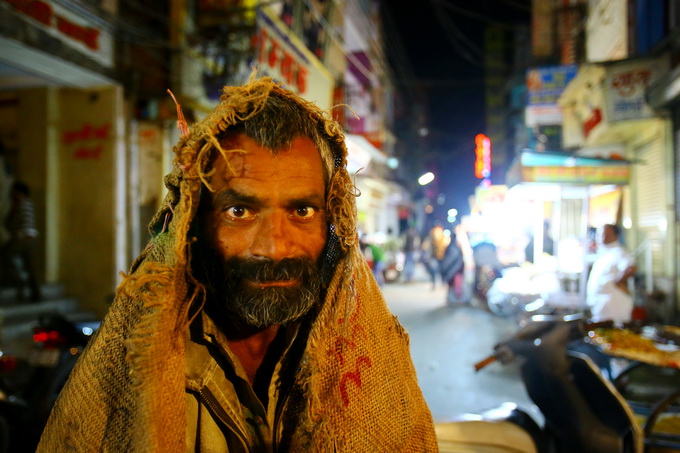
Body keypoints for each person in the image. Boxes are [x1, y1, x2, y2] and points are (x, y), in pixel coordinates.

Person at [38, 75, 437, 451]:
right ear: (195, 223)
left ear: (333, 224)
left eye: (301, 210)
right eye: (240, 211)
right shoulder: (145, 362)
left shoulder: (362, 355)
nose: (275, 248)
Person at [586, 224, 637, 324]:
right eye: (600, 234)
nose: (602, 237)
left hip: (614, 307)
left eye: (607, 234)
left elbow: (631, 268)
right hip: (602, 308)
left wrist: (619, 282)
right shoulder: (604, 253)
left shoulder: (619, 252)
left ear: (616, 236)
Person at [1, 181, 42, 301]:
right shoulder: (20, 205)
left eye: (15, 192)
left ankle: (18, 279)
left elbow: (23, 224)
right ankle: (35, 293)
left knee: (5, 254)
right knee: (30, 266)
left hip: (25, 238)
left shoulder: (24, 204)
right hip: (28, 238)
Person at [440, 231, 465, 305]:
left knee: (453, 285)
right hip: (457, 270)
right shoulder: (456, 247)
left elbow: (449, 260)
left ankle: (453, 299)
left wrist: (444, 267)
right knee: (455, 285)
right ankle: (453, 299)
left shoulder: (451, 247)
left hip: (454, 270)